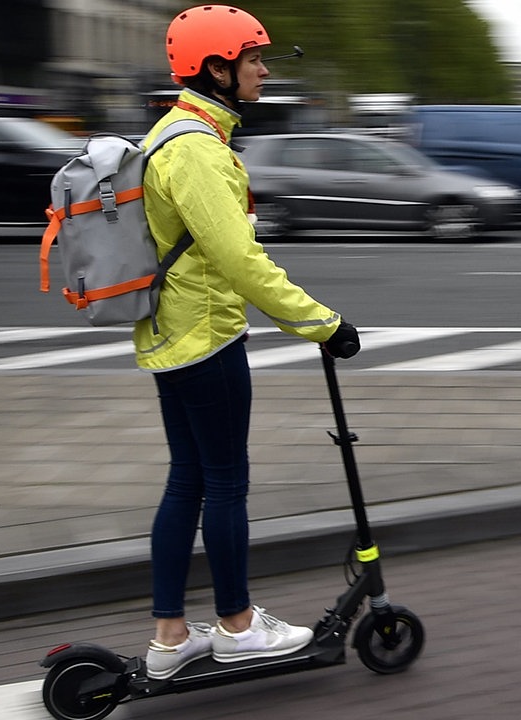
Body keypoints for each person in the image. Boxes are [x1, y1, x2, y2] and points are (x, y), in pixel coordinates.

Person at [135, 4, 360, 680]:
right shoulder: (198, 150)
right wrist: (324, 324)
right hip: (205, 341)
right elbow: (240, 261)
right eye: (254, 59)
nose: (264, 70)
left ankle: (171, 636)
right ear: (216, 68)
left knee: (190, 481)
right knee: (225, 481)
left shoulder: (176, 132)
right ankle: (236, 625)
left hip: (173, 336)